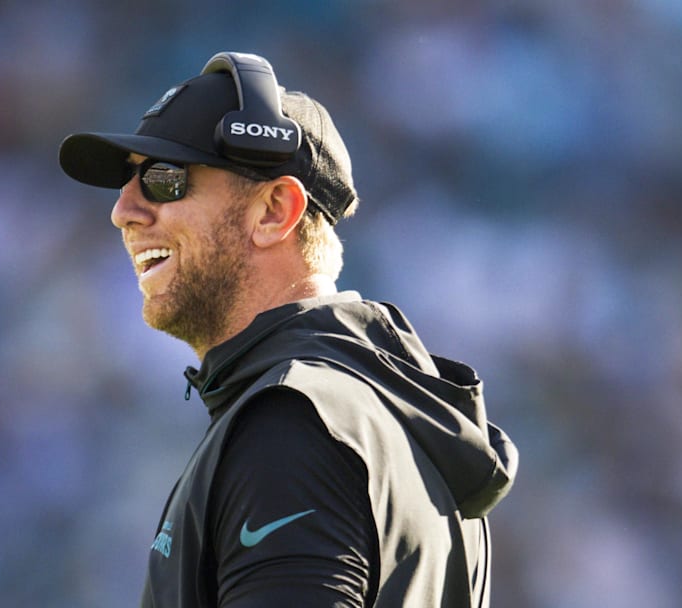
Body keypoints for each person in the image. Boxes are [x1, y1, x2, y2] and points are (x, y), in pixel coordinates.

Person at [58, 51, 518, 608]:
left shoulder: (294, 420)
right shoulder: (379, 413)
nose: (124, 210)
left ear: (275, 210)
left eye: (164, 179)